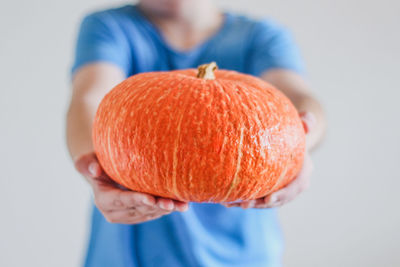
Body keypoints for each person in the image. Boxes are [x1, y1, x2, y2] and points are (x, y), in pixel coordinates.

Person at [66, 0, 325, 266]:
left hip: (240, 252)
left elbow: (299, 99)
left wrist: (301, 143)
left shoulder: (261, 35)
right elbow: (89, 99)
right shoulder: (109, 26)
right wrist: (96, 168)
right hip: (130, 252)